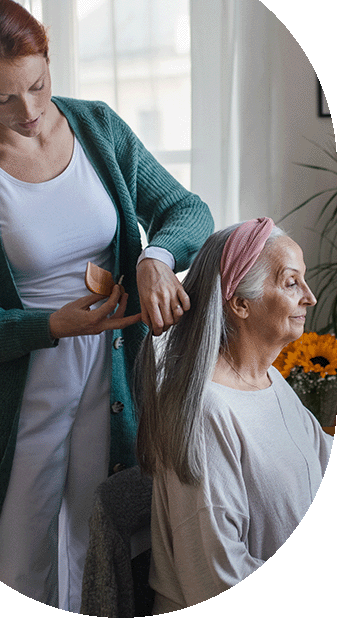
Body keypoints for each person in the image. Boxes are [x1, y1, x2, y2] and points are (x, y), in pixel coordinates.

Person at [0, 0, 213, 612]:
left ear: (49, 59)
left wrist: (155, 258)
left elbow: (189, 211)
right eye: (3, 99)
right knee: (16, 563)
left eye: (38, 86)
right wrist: (46, 325)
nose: (29, 111)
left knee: (96, 546)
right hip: (17, 393)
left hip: (109, 375)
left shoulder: (97, 127)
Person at [136, 217, 333, 612]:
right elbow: (218, 586)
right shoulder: (207, 412)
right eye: (291, 282)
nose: (309, 297)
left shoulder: (270, 382)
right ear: (240, 303)